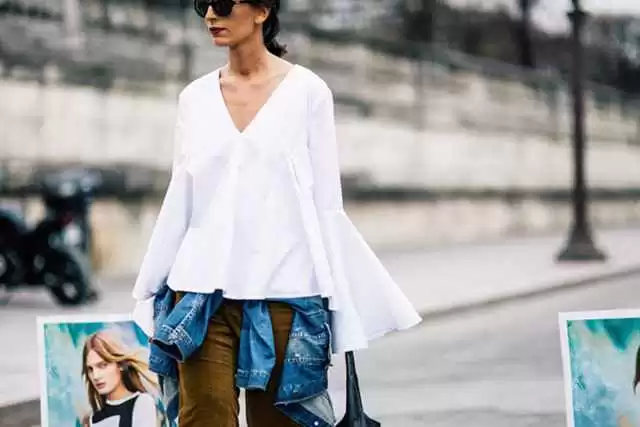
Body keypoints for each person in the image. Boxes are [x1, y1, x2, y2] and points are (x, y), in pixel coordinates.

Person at [131, 0, 422, 426]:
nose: (210, 14)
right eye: (202, 3)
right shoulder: (194, 98)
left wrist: (339, 303)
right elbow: (181, 197)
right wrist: (150, 289)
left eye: (223, 3)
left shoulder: (308, 92)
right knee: (203, 417)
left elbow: (327, 205)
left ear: (262, 11)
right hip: (200, 295)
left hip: (286, 291)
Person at [81, 330, 159, 427]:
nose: (95, 376)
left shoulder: (142, 403)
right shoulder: (92, 419)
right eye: (90, 369)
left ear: (120, 364)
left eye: (102, 365)